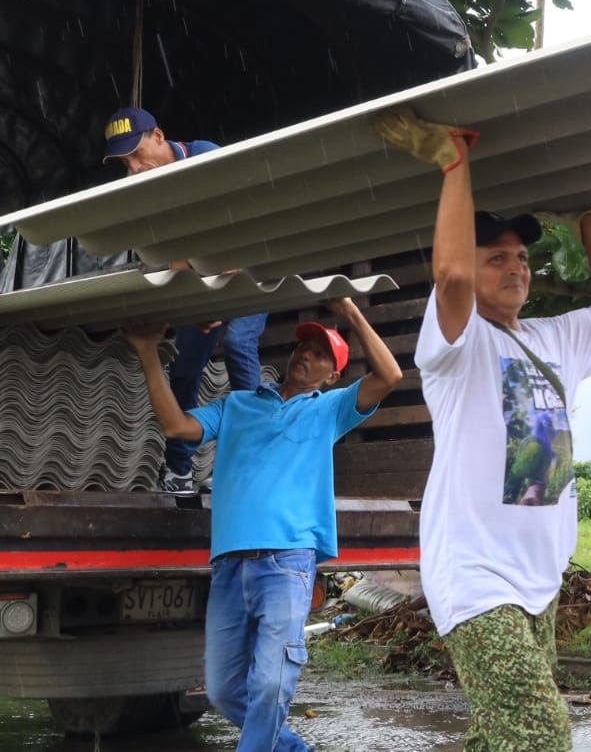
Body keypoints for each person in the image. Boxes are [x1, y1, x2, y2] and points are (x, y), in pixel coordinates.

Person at [397, 115, 591, 751]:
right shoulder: (455, 343)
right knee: (541, 730)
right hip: (474, 574)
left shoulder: (552, 338)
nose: (516, 269)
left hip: (540, 575)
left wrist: (588, 221)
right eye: (496, 258)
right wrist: (455, 165)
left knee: (501, 737)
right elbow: (450, 277)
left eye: (522, 258)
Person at [121, 298, 401, 752]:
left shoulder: (330, 408)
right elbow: (175, 426)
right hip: (229, 564)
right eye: (303, 346)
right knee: (223, 691)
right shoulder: (237, 404)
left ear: (332, 376)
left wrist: (349, 310)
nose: (305, 354)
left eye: (320, 353)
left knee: (271, 683)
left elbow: (389, 377)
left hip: (287, 562)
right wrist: (148, 351)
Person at [103, 106, 268, 495]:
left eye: (137, 153)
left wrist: (219, 291)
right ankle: (179, 471)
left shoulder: (206, 158)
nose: (134, 168)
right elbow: (174, 256)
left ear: (159, 136)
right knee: (184, 370)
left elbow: (249, 224)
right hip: (203, 278)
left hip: (250, 267)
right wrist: (197, 304)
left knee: (238, 344)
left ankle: (256, 459)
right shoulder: (146, 188)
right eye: (125, 162)